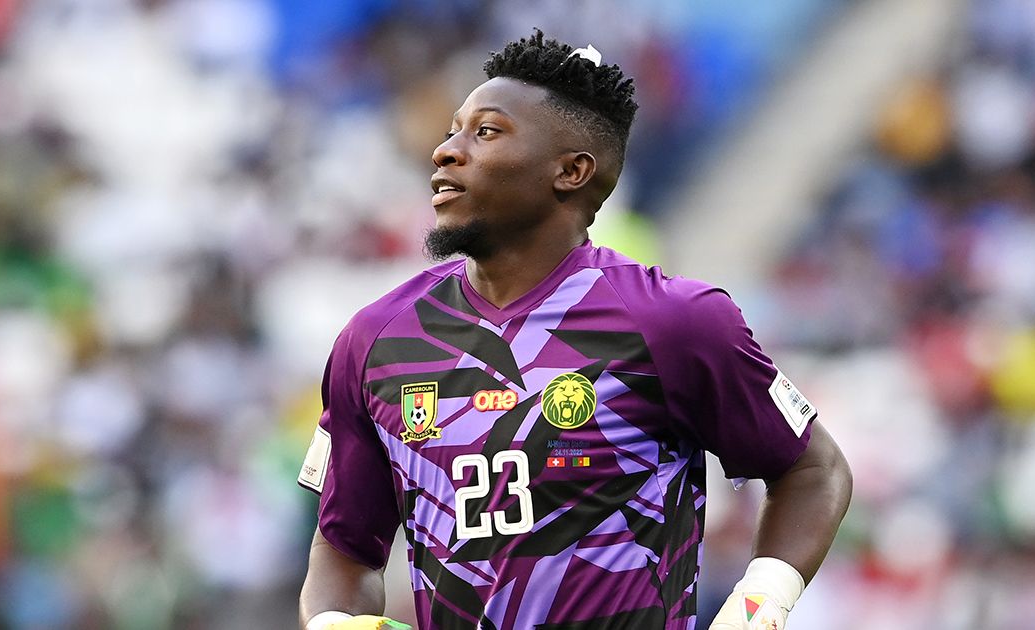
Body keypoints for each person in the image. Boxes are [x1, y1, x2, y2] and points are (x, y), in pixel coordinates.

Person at [297, 30, 852, 630]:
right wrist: (330, 623)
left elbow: (813, 470)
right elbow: (345, 546)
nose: (445, 151)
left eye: (484, 131)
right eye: (453, 129)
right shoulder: (375, 341)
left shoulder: (673, 323)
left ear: (570, 171)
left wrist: (757, 608)